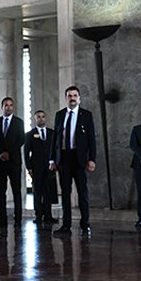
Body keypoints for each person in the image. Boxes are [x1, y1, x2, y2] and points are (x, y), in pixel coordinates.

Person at [49, 86, 97, 233]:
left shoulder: (86, 115)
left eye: (75, 95)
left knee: (82, 192)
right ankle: (66, 225)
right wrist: (52, 160)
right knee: (65, 193)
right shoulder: (60, 115)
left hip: (79, 158)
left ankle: (85, 224)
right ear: (66, 98)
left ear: (79, 98)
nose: (72, 98)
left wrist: (92, 159)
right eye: (69, 96)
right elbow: (55, 139)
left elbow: (92, 139)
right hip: (63, 158)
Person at [0, 96, 25, 229]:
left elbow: (21, 139)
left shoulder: (19, 122)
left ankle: (18, 218)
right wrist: (1, 153)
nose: (8, 107)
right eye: (6, 105)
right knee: (1, 191)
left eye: (10, 105)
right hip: (0, 162)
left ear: (13, 107)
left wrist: (8, 152)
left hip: (14, 161)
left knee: (16, 190)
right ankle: (2, 218)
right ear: (2, 107)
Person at [25, 110, 56, 224]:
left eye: (43, 117)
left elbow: (55, 150)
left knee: (48, 192)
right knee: (37, 192)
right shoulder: (30, 134)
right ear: (35, 119)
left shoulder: (52, 133)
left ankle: (48, 215)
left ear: (45, 118)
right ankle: (38, 215)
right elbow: (26, 153)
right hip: (36, 168)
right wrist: (29, 168)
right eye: (38, 117)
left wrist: (55, 163)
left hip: (49, 167)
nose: (41, 119)